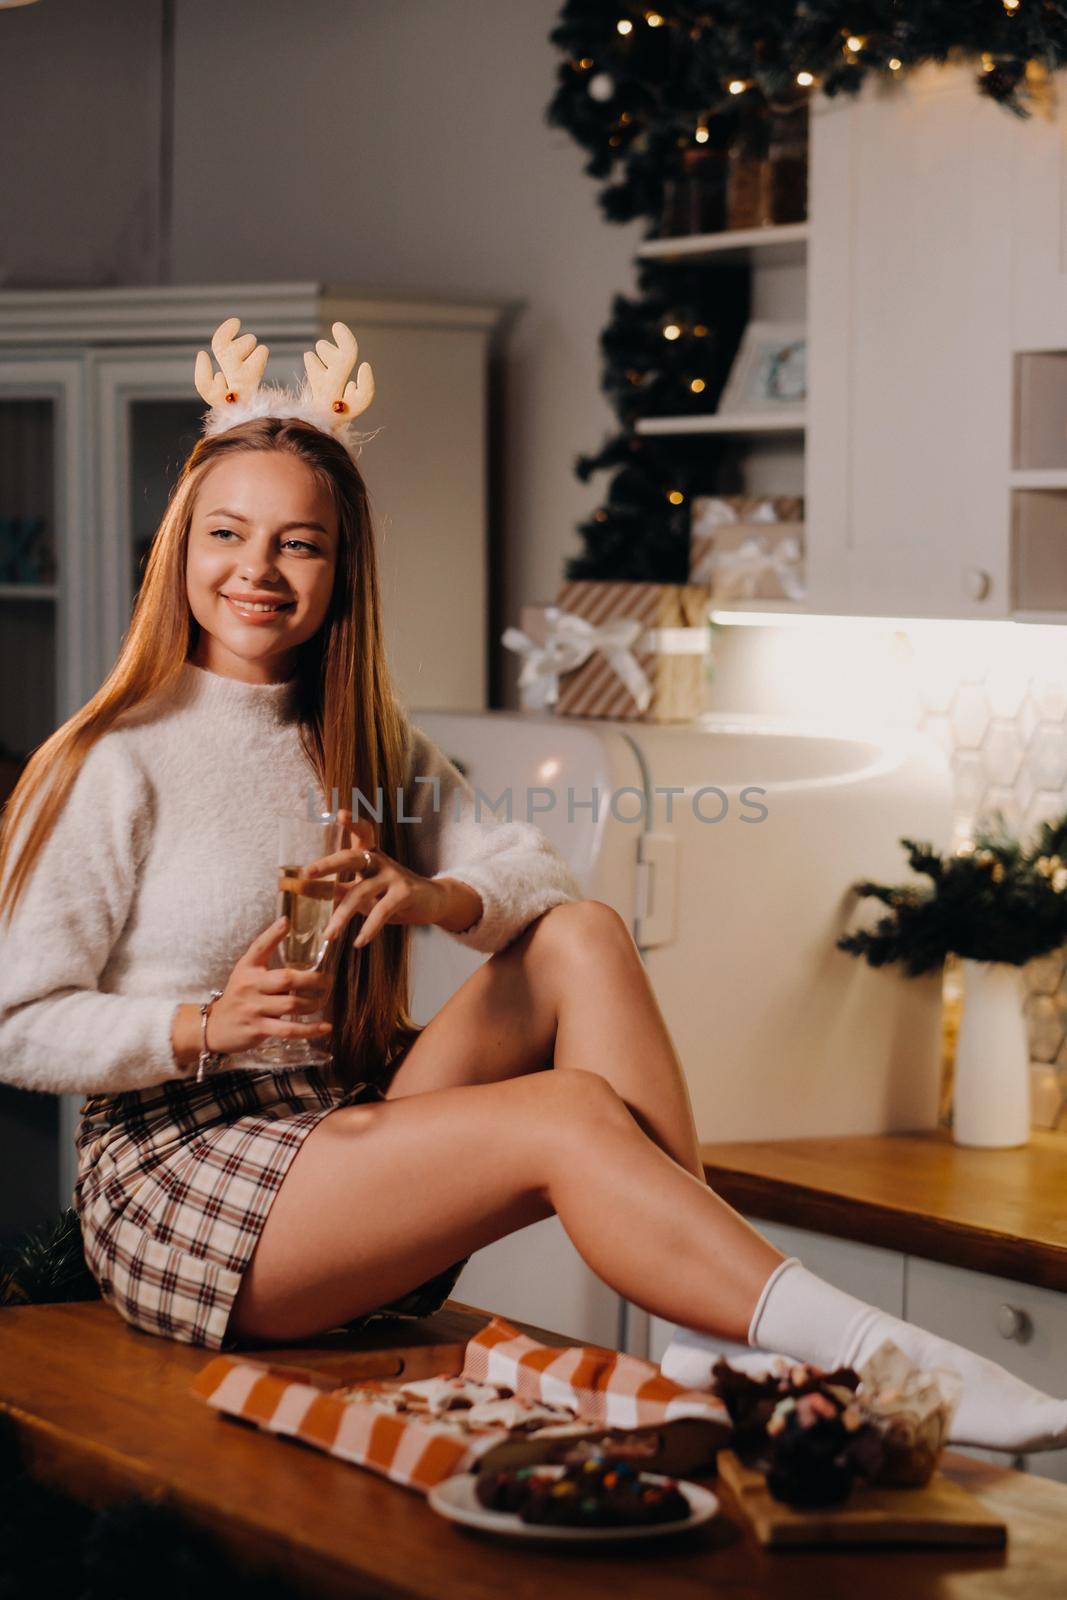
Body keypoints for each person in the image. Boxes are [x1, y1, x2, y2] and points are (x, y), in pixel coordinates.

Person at [0, 319, 1064, 1460]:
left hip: (329, 1132)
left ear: (340, 566)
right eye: (227, 534)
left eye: (298, 544)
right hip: (181, 1187)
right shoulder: (114, 756)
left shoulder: (359, 737)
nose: (257, 571)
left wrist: (429, 896)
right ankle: (871, 1360)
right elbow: (18, 1023)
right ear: (181, 548)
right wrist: (202, 1024)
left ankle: (727, 1333)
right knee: (566, 1114)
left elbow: (533, 872)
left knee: (581, 933)